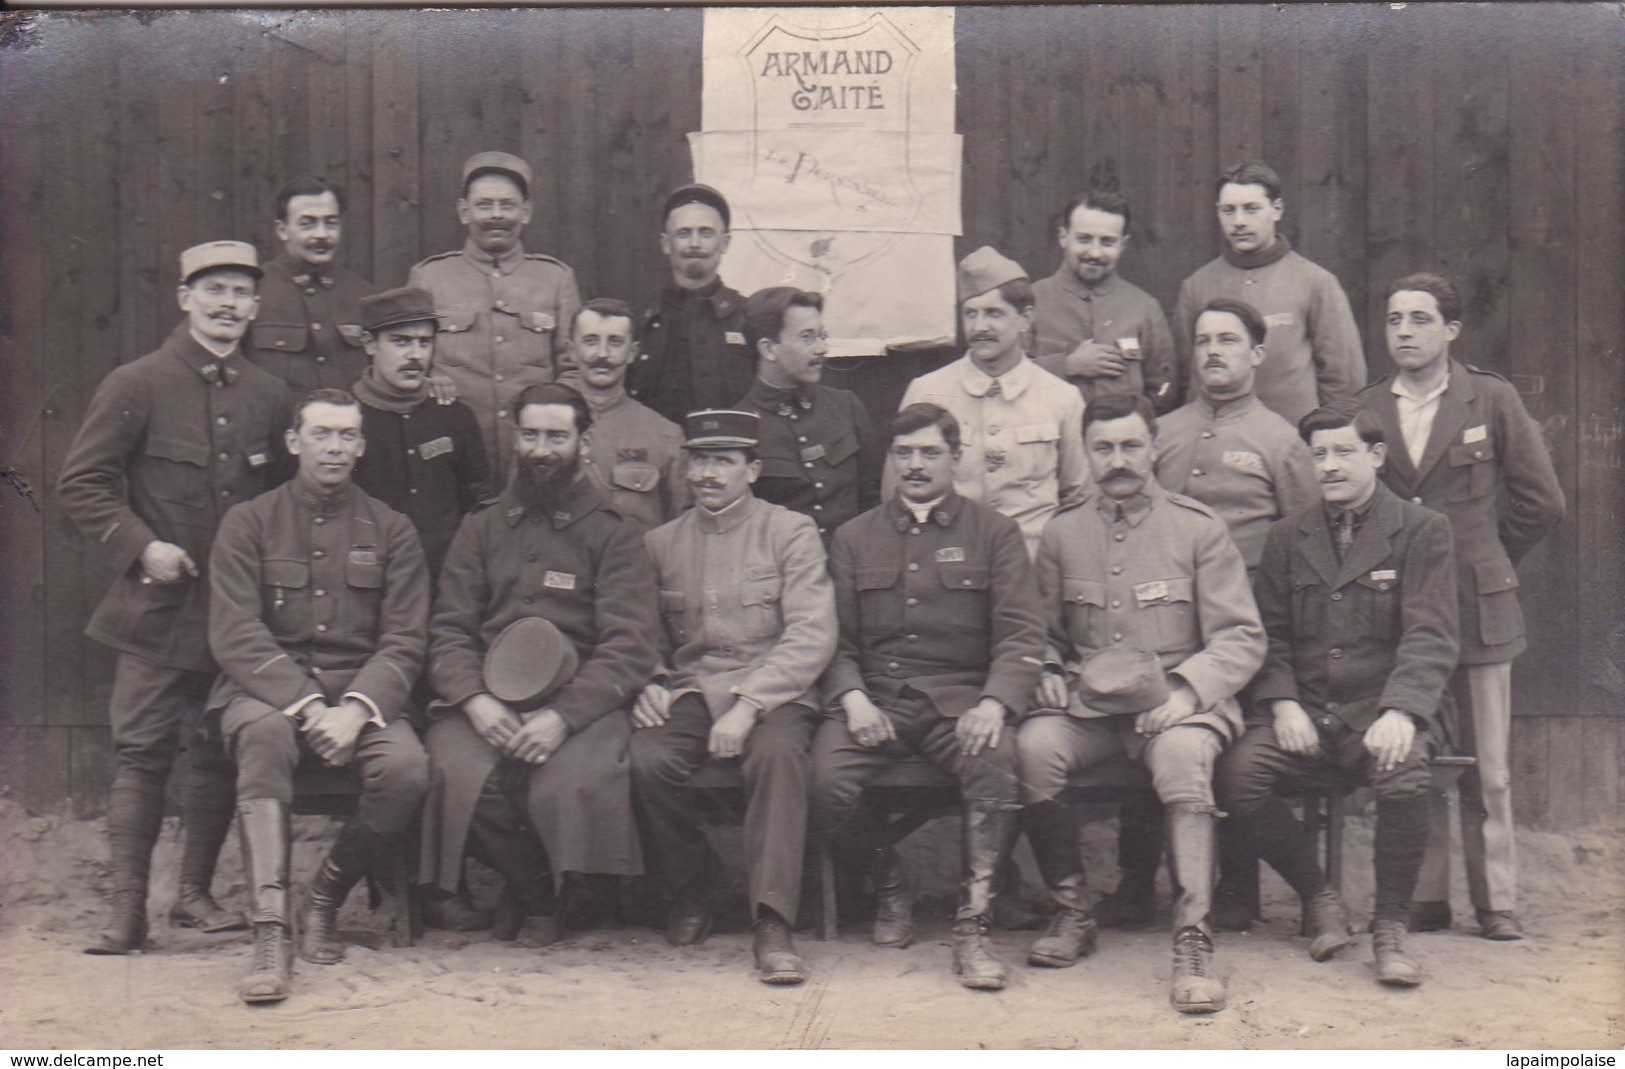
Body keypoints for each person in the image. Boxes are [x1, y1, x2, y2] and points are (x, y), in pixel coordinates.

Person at [59, 240, 290, 954]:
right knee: (142, 752)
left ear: (255, 308)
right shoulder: (138, 383)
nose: (227, 305)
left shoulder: (269, 394)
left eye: (240, 294)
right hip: (160, 611)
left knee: (219, 752)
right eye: (213, 290)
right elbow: (82, 483)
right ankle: (127, 909)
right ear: (184, 298)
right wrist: (142, 547)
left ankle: (193, 895)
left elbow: (281, 498)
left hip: (239, 617)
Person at [1019, 393, 1264, 1013]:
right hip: (1091, 709)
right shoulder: (1063, 532)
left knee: (1183, 756)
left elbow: (1241, 636)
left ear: (1154, 448)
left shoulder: (1197, 527)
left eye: (1131, 446)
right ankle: (1074, 912)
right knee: (1033, 748)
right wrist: (1048, 666)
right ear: (1087, 454)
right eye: (1103, 448)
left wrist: (1186, 690)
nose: (1118, 460)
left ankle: (1192, 934)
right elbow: (1042, 629)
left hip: (1180, 705)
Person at [1216, 401, 1459, 985]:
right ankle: (1320, 896)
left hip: (1383, 710)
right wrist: (1282, 703)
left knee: (1405, 775)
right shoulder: (1286, 537)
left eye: (1343, 452)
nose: (1329, 466)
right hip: (1309, 712)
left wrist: (1402, 711)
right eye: (1318, 454)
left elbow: (1431, 635)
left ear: (1374, 457)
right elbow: (1267, 634)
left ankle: (1390, 927)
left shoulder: (1423, 530)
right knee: (1236, 775)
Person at [1358, 273, 1565, 940]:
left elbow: (1541, 501)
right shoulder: (1367, 409)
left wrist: (1485, 561)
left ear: (1450, 330)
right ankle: (1424, 897)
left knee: (1488, 766)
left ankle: (1494, 900)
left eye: (1419, 319)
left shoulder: (1490, 399)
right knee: (1416, 754)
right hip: (1402, 615)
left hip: (1477, 610)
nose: (1404, 332)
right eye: (1394, 319)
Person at [206, 389, 430, 1003]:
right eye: (323, 434)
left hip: (365, 694)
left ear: (361, 446)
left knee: (408, 770)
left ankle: (326, 896)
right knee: (262, 736)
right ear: (294, 441)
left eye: (348, 436)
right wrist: (307, 706)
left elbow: (406, 638)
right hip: (268, 692)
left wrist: (357, 711)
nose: (335, 447)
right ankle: (270, 931)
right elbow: (236, 633)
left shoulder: (393, 529)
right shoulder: (249, 522)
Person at [814, 403, 1045, 990]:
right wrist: (853, 699)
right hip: (878, 703)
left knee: (996, 763)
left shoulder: (994, 533)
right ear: (892, 459)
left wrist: (995, 704)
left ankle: (974, 925)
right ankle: (889, 882)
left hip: (960, 703)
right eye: (905, 453)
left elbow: (1021, 634)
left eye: (930, 453)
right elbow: (832, 639)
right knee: (825, 780)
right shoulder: (853, 537)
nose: (915, 466)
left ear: (956, 457)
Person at [421, 383, 659, 942]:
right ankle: (537, 891)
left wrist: (564, 718)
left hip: (583, 703)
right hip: (488, 697)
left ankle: (572, 893)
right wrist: (476, 703)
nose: (542, 449)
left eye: (557, 435)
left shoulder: (615, 532)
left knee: (568, 783)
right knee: (455, 772)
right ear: (516, 436)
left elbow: (629, 645)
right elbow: (449, 629)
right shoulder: (480, 527)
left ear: (584, 440)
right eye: (531, 434)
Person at [628, 410, 836, 985]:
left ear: (754, 469)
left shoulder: (789, 531)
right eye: (700, 460)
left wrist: (748, 705)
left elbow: (812, 634)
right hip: (693, 687)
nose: (708, 474)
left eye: (724, 461)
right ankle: (695, 883)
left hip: (777, 688)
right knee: (648, 760)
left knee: (776, 758)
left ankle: (772, 920)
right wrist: (648, 680)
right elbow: (639, 629)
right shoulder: (659, 542)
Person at [1147, 296, 1320, 932]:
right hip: (1164, 623)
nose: (1213, 351)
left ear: (1255, 354)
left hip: (1246, 624)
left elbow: (1304, 544)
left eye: (1227, 340)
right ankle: (1150, 886)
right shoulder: (1163, 434)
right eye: (1202, 341)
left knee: (1236, 753)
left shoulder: (1280, 441)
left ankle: (1239, 891)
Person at [891, 247, 1087, 557]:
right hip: (948, 569)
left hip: (1031, 568)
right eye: (971, 313)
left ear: (1025, 318)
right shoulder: (926, 392)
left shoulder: (1061, 399)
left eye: (993, 314)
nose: (980, 327)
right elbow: (897, 495)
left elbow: (1079, 498)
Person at [409, 152, 582, 487]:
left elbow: (573, 369)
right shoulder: (429, 278)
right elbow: (411, 363)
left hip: (536, 460)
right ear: (464, 211)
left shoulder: (556, 279)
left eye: (508, 205)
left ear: (526, 212)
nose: (497, 216)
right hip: (453, 457)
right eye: (484, 205)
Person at [1173, 161, 1365, 424]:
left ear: (1276, 210)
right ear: (1217, 212)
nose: (1239, 221)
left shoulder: (1315, 282)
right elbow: (1185, 378)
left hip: (1294, 440)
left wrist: (1322, 436)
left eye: (1251, 209)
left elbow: (1344, 378)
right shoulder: (1196, 287)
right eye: (1229, 211)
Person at [350, 286, 495, 578]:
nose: (415, 355)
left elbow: (480, 504)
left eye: (425, 342)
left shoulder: (454, 416)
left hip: (443, 576)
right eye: (401, 342)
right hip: (366, 576)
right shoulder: (345, 419)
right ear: (370, 343)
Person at [737, 286, 881, 543]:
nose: (822, 348)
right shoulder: (739, 425)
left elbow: (873, 500)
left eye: (822, 335)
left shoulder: (846, 407)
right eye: (807, 337)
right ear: (769, 349)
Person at [1031, 188, 1177, 412]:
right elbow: (1003, 376)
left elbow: (1165, 389)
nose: (1095, 253)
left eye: (1107, 242)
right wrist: (1067, 365)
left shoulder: (1144, 308)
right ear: (1063, 237)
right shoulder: (1031, 301)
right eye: (1084, 239)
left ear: (1123, 245)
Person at [625, 184, 755, 423]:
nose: (694, 243)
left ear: (725, 243)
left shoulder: (748, 317)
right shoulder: (640, 320)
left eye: (706, 233)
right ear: (666, 244)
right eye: (684, 233)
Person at [244, 177, 383, 392]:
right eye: (307, 224)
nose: (321, 234)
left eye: (331, 223)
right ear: (282, 230)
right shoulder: (253, 291)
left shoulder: (365, 296)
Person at [562, 298, 690, 528]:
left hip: (635, 562)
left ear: (632, 352)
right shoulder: (543, 428)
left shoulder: (665, 435)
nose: (602, 354)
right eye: (590, 341)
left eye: (615, 342)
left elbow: (682, 529)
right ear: (571, 351)